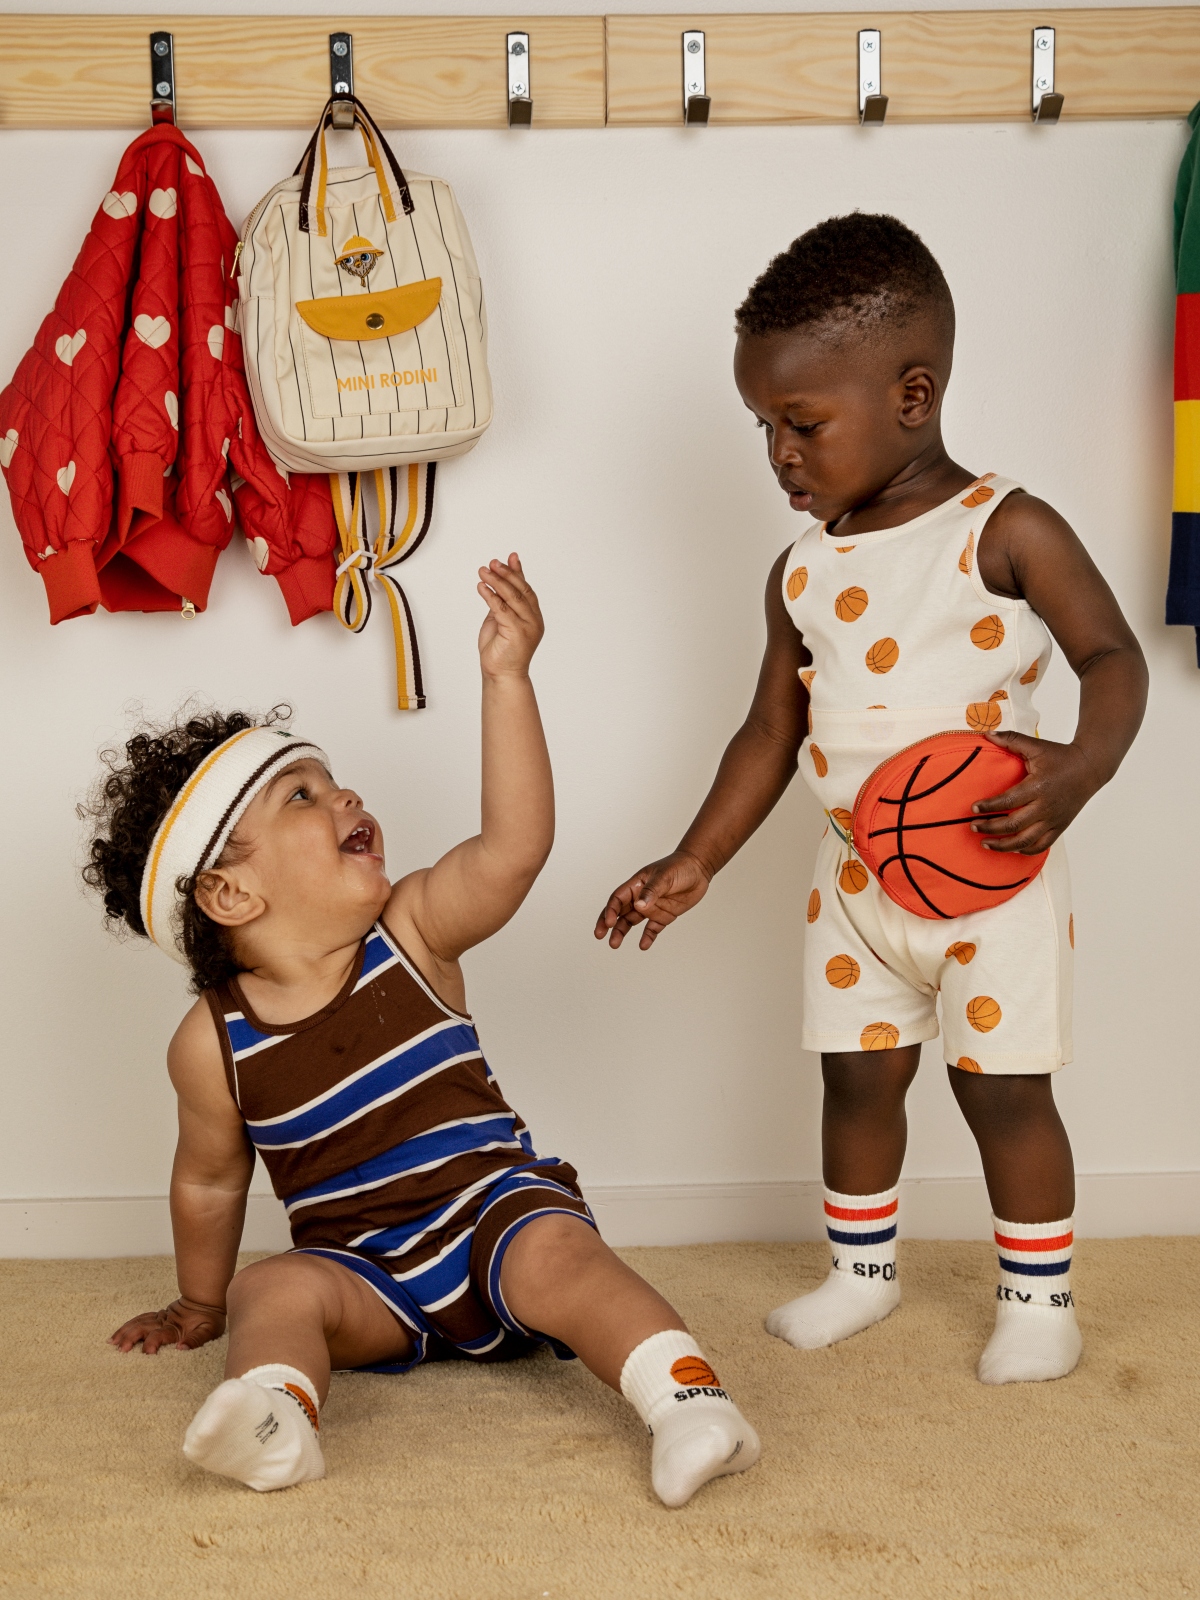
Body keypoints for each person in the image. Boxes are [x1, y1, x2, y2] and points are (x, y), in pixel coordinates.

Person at [596, 214, 1148, 1386]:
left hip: (992, 874)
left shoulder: (1005, 528)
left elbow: (1114, 659)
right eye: (763, 428)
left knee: (1004, 1090)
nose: (779, 455)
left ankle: (1039, 1298)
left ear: (913, 395)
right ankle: (862, 1271)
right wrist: (697, 856)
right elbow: (770, 731)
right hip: (855, 881)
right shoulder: (802, 571)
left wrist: (1080, 767)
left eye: (802, 424)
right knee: (856, 1077)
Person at [87, 554, 759, 1503]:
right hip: (364, 1276)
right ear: (230, 893)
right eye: (302, 796)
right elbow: (208, 1178)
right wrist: (201, 1302)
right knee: (269, 1289)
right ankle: (280, 1418)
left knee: (561, 1250)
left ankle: (690, 1403)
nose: (346, 797)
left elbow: (514, 849)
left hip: (494, 1225)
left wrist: (507, 678)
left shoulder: (411, 932)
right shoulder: (212, 1042)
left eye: (333, 782)